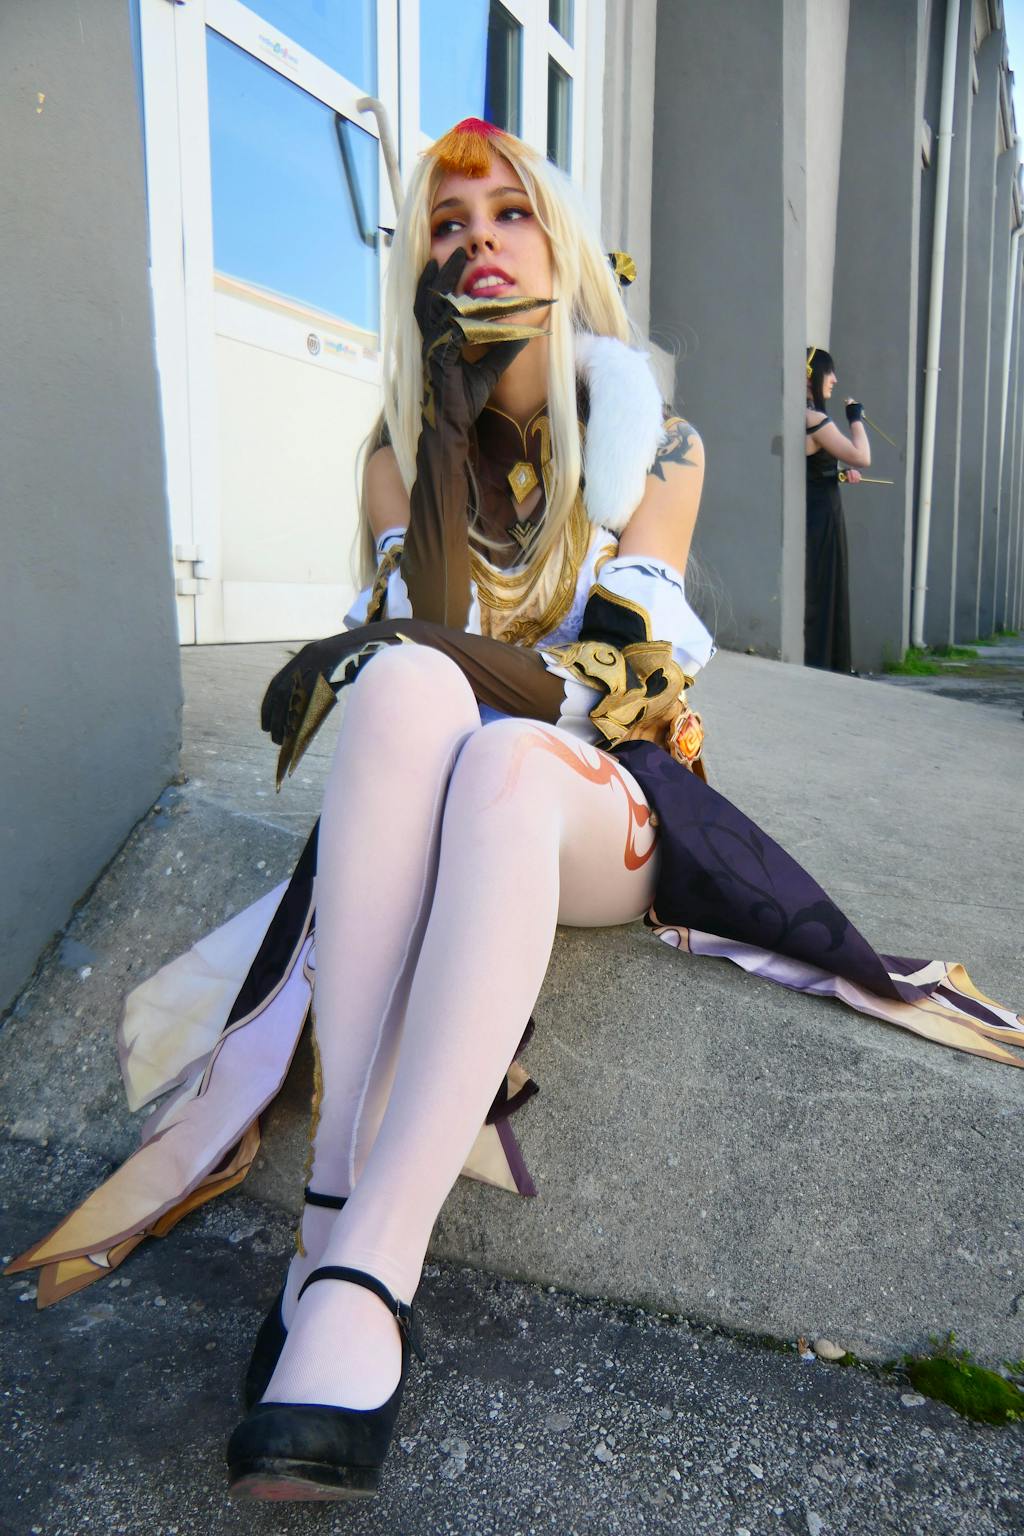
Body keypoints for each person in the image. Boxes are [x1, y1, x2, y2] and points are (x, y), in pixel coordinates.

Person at [9, 122, 1022, 1505]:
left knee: (499, 761)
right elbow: (413, 647)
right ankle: (331, 1229)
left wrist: (440, 660)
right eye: (447, 223)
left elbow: (609, 685)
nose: (478, 238)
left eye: (509, 212)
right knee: (409, 689)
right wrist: (441, 425)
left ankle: (374, 1264)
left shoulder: (656, 440)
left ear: (560, 244)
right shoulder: (397, 451)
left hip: (601, 797)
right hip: (440, 771)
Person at [804, 345, 872, 672]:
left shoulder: (801, 416)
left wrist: (839, 473)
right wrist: (855, 419)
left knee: (821, 585)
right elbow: (862, 456)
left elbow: (814, 468)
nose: (834, 379)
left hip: (817, 509)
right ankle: (827, 662)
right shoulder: (815, 419)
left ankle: (826, 660)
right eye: (828, 372)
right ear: (810, 377)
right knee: (825, 586)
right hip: (821, 514)